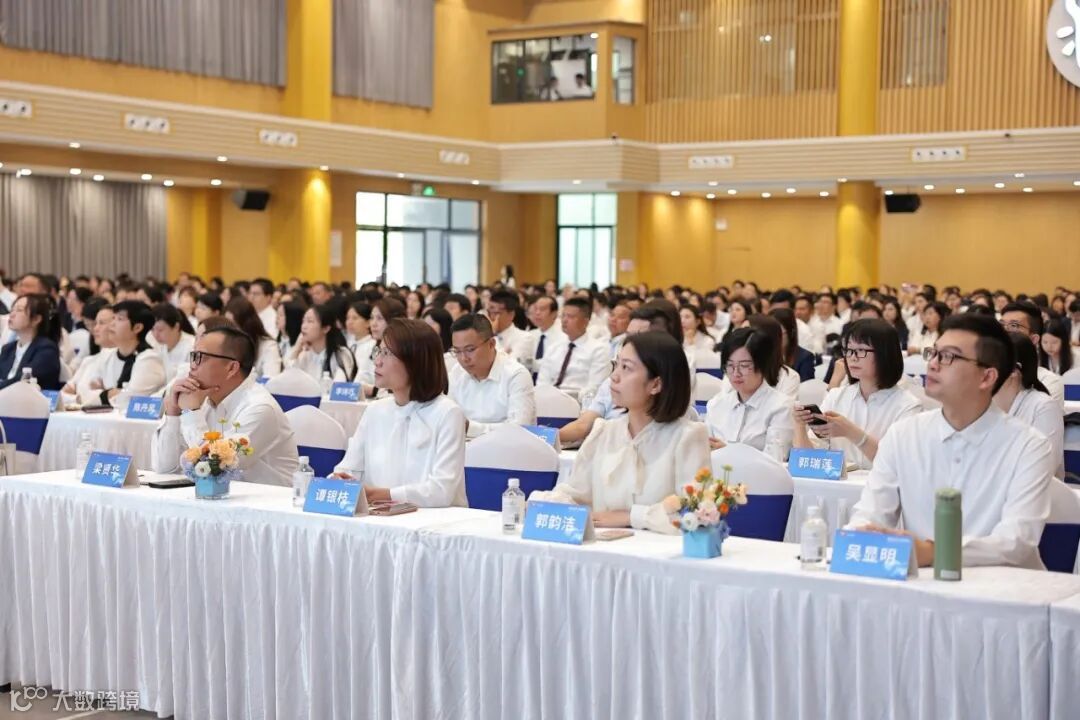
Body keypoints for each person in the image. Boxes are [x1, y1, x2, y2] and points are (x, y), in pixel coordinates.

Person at [848, 313, 1054, 569]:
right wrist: (858, 536)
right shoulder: (902, 435)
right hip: (918, 581)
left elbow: (1016, 542)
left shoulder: (1029, 446)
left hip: (1000, 586)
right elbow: (870, 513)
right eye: (933, 353)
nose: (933, 364)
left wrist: (933, 551)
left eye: (948, 357)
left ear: (987, 377)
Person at [532, 332, 709, 532]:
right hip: (604, 548)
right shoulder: (603, 432)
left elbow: (697, 513)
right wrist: (536, 502)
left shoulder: (688, 436)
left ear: (656, 384)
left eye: (626, 368)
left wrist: (631, 517)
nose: (614, 377)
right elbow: (574, 494)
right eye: (616, 365)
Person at [332, 319, 467, 507]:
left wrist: (381, 495)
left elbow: (441, 491)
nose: (377, 361)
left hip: (436, 520)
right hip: (379, 516)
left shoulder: (448, 413)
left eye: (387, 353)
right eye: (378, 351)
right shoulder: (375, 410)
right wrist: (337, 479)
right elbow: (348, 468)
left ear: (416, 362)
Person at [151, 325, 298, 486]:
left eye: (200, 357)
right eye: (193, 355)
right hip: (222, 495)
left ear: (231, 368)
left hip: (269, 499)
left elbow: (212, 467)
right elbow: (165, 469)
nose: (192, 365)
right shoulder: (201, 399)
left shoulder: (260, 408)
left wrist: (190, 411)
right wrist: (173, 412)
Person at [793, 320, 921, 470]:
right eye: (849, 350)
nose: (852, 357)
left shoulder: (908, 406)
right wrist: (800, 426)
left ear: (885, 354)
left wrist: (851, 432)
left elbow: (901, 464)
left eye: (860, 350)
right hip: (841, 484)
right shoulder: (836, 396)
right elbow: (809, 461)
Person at [705, 327, 793, 451]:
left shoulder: (781, 407)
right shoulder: (716, 404)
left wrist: (729, 452)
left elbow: (776, 457)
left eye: (744, 366)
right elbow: (704, 451)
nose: (736, 373)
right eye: (730, 365)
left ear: (763, 365)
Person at [448, 314, 536, 438]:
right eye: (457, 351)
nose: (463, 358)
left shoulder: (516, 375)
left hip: (507, 447)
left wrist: (470, 428)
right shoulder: (457, 372)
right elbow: (449, 420)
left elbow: (519, 428)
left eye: (470, 349)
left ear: (491, 344)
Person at [994, 332, 1064, 477]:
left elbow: (1043, 468)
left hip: (1034, 488)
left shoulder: (1043, 407)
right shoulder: (984, 404)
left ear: (1014, 370)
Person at [80, 301, 166, 404]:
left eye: (119, 319)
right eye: (113, 318)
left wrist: (105, 394)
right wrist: (111, 393)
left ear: (137, 328)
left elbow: (129, 400)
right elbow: (84, 393)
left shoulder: (149, 359)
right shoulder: (107, 354)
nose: (112, 324)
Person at [537, 297, 611, 400]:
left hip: (579, 403)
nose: (564, 320)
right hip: (549, 401)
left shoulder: (599, 350)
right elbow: (542, 382)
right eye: (563, 316)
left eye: (570, 317)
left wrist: (565, 398)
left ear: (585, 322)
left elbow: (594, 388)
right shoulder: (554, 347)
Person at [999, 301, 1064, 407]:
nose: (1005, 331)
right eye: (1001, 325)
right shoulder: (988, 374)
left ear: (1033, 339)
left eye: (1014, 325)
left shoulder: (1050, 383)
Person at [0, 294, 63, 390]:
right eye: (12, 309)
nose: (12, 314)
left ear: (36, 319)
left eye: (19, 310)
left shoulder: (46, 349)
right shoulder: (8, 349)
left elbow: (23, 380)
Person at [286, 304, 357, 382]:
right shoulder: (303, 355)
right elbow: (288, 381)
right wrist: (296, 350)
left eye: (310, 321)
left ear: (326, 328)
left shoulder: (341, 354)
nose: (304, 326)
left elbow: (340, 385)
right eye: (303, 321)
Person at [225, 297, 282, 378]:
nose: (229, 330)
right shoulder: (227, 343)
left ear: (246, 325)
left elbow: (270, 378)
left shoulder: (268, 346)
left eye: (233, 325)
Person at [150, 304, 196, 380]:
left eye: (160, 330)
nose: (155, 334)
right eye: (152, 329)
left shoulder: (192, 346)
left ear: (176, 326)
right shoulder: (155, 344)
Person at [771, 308, 815, 381]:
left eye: (779, 332)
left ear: (791, 332)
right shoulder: (764, 355)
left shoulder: (804, 357)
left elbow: (806, 386)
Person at [487, 290, 531, 363]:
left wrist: (493, 334)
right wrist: (505, 354)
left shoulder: (525, 338)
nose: (491, 317)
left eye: (496, 313)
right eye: (489, 312)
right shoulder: (484, 337)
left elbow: (510, 365)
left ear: (511, 314)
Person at [525, 295, 566, 371]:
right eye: (536, 309)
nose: (537, 313)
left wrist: (526, 362)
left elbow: (551, 364)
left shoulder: (563, 336)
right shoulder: (531, 335)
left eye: (542, 309)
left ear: (554, 314)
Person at [346, 301, 377, 384]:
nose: (350, 322)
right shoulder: (347, 344)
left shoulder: (374, 346)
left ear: (368, 323)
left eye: (355, 318)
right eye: (348, 318)